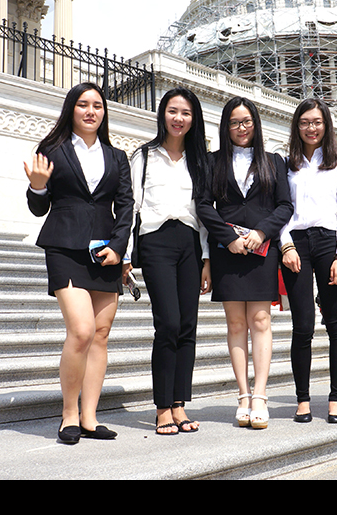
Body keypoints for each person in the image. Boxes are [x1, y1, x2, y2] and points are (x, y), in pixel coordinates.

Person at [24, 82, 134, 444]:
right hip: (64, 246)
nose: (91, 111)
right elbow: (39, 207)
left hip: (105, 252)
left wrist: (120, 248)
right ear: (72, 109)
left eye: (97, 106)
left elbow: (126, 206)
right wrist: (38, 187)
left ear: (104, 112)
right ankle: (68, 413)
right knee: (82, 331)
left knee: (100, 336)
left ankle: (89, 416)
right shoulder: (52, 149)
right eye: (83, 104)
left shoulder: (117, 156)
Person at [197, 97, 293, 428]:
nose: (241, 128)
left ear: (256, 124)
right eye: (235, 123)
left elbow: (284, 206)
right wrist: (228, 238)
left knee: (261, 320)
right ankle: (242, 395)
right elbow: (203, 205)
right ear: (225, 127)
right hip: (228, 251)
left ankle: (261, 395)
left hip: (261, 250)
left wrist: (262, 233)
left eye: (247, 122)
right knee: (236, 324)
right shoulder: (212, 162)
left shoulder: (273, 161)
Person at [123, 87, 212, 436]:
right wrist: (127, 254)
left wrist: (207, 259)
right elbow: (131, 206)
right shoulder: (144, 156)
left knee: (188, 325)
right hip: (156, 240)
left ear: (194, 119)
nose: (179, 118)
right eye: (173, 111)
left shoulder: (201, 161)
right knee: (169, 323)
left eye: (186, 113)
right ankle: (162, 406)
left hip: (190, 243)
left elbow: (205, 214)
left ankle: (179, 404)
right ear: (163, 114)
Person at [280, 98, 337, 424]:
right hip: (296, 243)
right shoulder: (287, 164)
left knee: (336, 325)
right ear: (297, 127)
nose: (311, 128)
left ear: (326, 125)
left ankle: (336, 398)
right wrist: (285, 245)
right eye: (305, 122)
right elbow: (280, 209)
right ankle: (303, 399)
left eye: (317, 122)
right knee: (303, 326)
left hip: (328, 242)